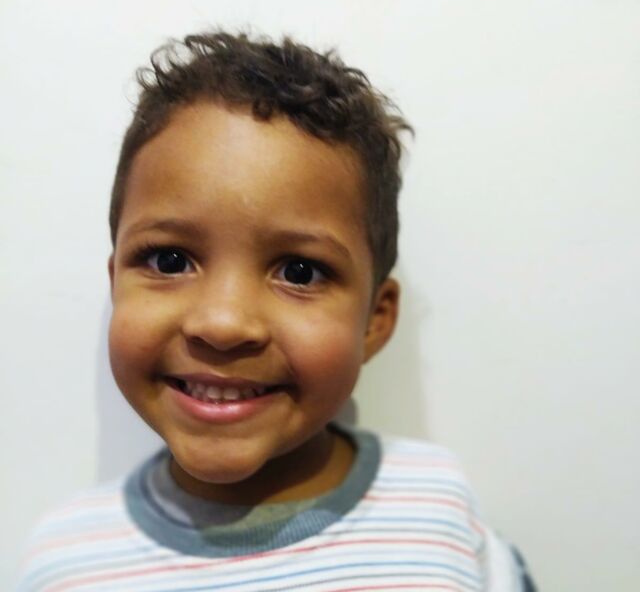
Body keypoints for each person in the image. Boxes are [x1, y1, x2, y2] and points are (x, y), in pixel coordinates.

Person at [17, 31, 536, 591]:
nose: (223, 324)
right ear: (116, 283)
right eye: (170, 260)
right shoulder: (66, 562)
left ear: (375, 320)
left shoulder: (438, 511)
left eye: (300, 272)